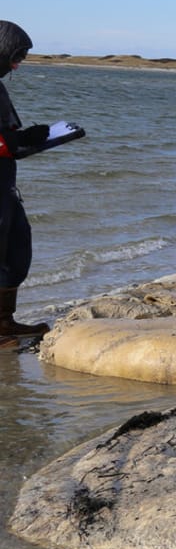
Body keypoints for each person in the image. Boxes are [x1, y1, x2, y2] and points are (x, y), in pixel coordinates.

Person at [0, 20, 51, 342]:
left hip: (5, 185)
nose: (17, 65)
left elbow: (7, 137)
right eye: (16, 56)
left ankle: (4, 322)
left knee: (17, 249)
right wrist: (15, 143)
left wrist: (31, 139)